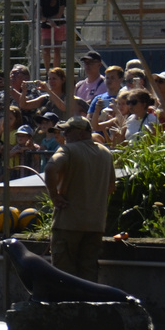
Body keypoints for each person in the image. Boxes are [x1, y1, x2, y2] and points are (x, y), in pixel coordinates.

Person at [44, 115, 114, 281]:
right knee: (89, 273)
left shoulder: (68, 149)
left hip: (69, 223)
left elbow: (50, 168)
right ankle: (87, 306)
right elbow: (111, 188)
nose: (64, 135)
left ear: (82, 133)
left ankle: (67, 306)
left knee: (63, 275)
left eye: (68, 131)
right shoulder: (106, 153)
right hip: (95, 225)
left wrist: (55, 196)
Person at [39, 0, 66, 68]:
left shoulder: (62, 0)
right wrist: (48, 20)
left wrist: (51, 20)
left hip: (59, 25)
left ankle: (56, 70)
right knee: (46, 49)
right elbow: (38, 15)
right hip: (46, 26)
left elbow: (59, 14)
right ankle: (47, 71)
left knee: (57, 50)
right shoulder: (43, 0)